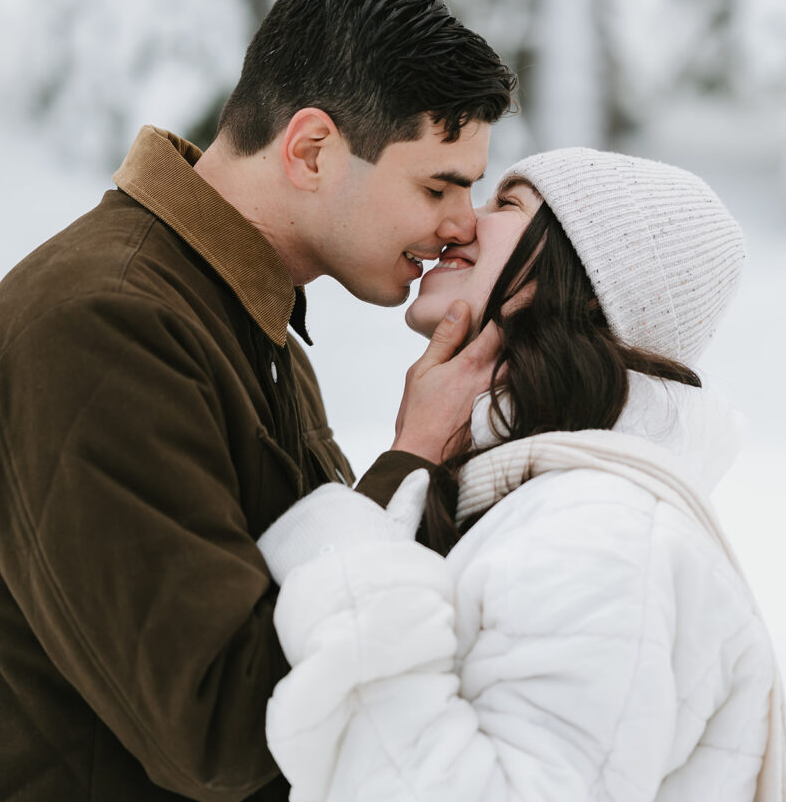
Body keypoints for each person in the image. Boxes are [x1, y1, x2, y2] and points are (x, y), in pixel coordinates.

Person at [0, 0, 514, 801]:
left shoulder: (244, 324)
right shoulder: (103, 329)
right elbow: (216, 727)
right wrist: (411, 457)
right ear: (310, 150)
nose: (457, 227)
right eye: (437, 185)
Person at [258, 147, 785, 801]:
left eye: (507, 203)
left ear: (590, 280)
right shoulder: (547, 505)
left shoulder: (602, 532)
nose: (458, 224)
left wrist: (348, 558)